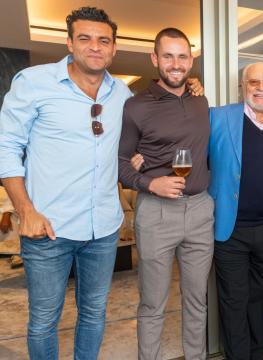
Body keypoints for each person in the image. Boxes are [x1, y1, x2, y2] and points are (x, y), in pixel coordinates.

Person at [0, 7, 130, 359]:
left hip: (102, 228)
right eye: (85, 38)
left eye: (104, 40)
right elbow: (7, 146)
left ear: (114, 48)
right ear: (70, 42)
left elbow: (142, 137)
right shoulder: (33, 82)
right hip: (47, 228)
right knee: (43, 319)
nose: (95, 47)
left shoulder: (122, 95)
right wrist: (25, 210)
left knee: (94, 313)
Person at [118, 28, 213, 360]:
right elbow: (119, 164)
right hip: (156, 212)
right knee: (152, 302)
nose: (176, 64)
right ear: (155, 59)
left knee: (197, 300)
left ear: (191, 60)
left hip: (201, 211)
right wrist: (149, 183)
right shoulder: (135, 107)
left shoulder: (201, 99)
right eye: (168, 56)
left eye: (183, 56)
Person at [209, 62, 263, 360]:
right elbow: (189, 150)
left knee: (261, 301)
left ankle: (256, 354)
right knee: (233, 302)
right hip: (230, 229)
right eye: (253, 82)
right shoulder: (218, 117)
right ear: (243, 86)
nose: (260, 88)